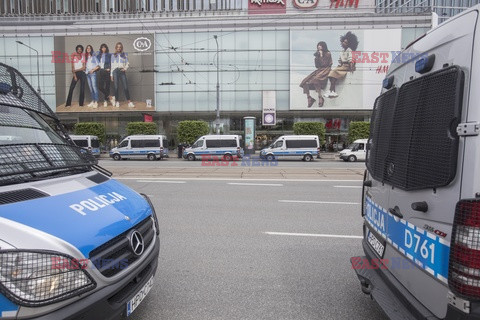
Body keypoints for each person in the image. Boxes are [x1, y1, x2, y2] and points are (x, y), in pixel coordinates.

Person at [324, 31, 359, 98]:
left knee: (333, 72)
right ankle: (332, 91)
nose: (343, 43)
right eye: (343, 42)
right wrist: (340, 65)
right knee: (331, 75)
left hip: (347, 66)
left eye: (346, 42)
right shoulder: (342, 51)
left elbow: (351, 59)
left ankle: (331, 90)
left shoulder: (349, 50)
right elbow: (340, 60)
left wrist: (351, 66)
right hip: (342, 66)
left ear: (349, 44)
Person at [299, 41, 332, 108]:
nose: (319, 46)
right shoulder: (317, 55)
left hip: (326, 70)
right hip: (319, 70)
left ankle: (320, 97)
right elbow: (317, 66)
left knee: (315, 79)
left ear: (323, 46)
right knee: (304, 82)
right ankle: (309, 98)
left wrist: (321, 55)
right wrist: (317, 57)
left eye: (320, 45)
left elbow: (325, 64)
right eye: (318, 45)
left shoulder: (328, 54)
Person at [110, 42, 134, 108]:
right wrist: (111, 75)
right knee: (116, 87)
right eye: (117, 47)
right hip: (115, 71)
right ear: (116, 48)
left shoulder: (124, 55)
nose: (119, 48)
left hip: (121, 71)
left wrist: (125, 68)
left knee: (125, 87)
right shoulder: (113, 55)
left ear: (121, 48)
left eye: (120, 47)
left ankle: (129, 102)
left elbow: (127, 63)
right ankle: (117, 101)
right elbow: (112, 65)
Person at [98, 43, 112, 107]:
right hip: (101, 71)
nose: (103, 48)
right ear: (101, 48)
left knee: (107, 86)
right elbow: (96, 63)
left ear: (106, 48)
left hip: (107, 71)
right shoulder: (99, 55)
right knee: (100, 87)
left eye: (104, 47)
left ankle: (105, 101)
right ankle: (110, 97)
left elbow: (111, 62)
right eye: (102, 47)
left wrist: (109, 68)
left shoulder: (109, 55)